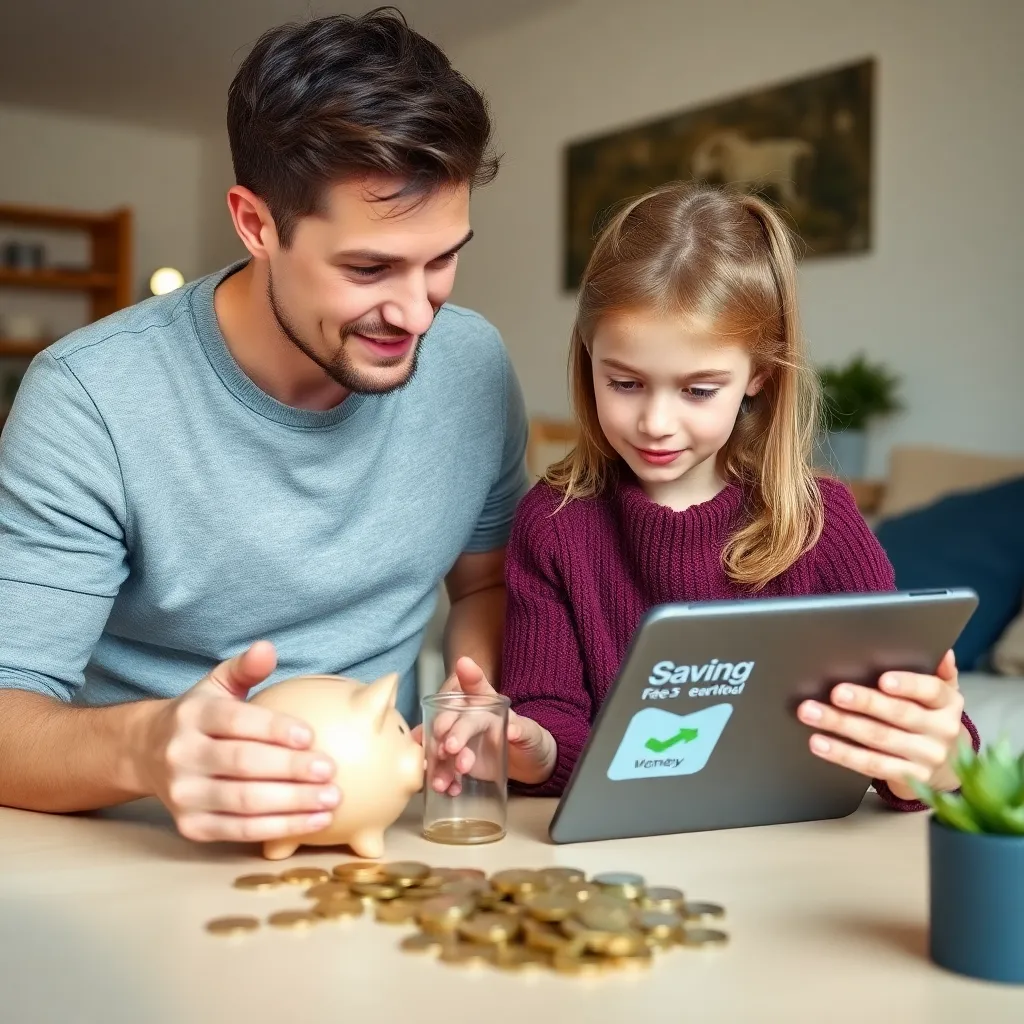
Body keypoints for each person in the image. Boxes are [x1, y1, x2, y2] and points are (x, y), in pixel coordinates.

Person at [0, 9, 529, 846]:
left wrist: (472, 699)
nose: (416, 311)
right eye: (367, 268)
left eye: (443, 258)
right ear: (256, 225)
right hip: (142, 838)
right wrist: (147, 748)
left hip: (376, 835)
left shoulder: (475, 366)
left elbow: (483, 582)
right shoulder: (90, 397)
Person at [428, 181, 978, 811]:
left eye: (698, 390)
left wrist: (938, 763)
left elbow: (910, 738)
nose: (657, 422)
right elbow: (551, 718)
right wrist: (533, 746)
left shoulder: (820, 523)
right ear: (589, 360)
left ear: (759, 376)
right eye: (627, 382)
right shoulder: (553, 525)